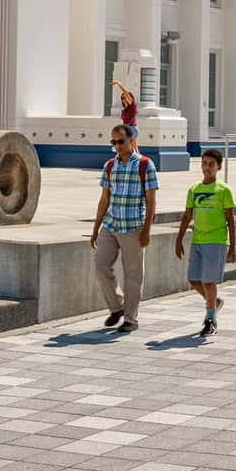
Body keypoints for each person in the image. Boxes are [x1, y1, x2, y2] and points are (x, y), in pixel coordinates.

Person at [89, 124, 157, 333]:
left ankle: (130, 319)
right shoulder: (110, 165)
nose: (117, 145)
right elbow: (103, 200)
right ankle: (116, 307)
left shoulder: (145, 165)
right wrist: (95, 229)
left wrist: (146, 230)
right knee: (101, 266)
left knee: (133, 274)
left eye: (121, 141)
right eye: (113, 142)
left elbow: (151, 201)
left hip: (133, 226)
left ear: (131, 141)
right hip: (111, 225)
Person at [175, 148, 236, 338]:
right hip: (198, 240)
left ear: (218, 167)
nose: (207, 168)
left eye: (211, 164)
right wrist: (179, 239)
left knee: (209, 281)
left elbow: (231, 219)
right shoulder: (194, 189)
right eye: (204, 164)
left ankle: (210, 320)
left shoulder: (223, 190)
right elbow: (187, 215)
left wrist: (233, 244)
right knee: (194, 279)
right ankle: (214, 302)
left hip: (216, 240)